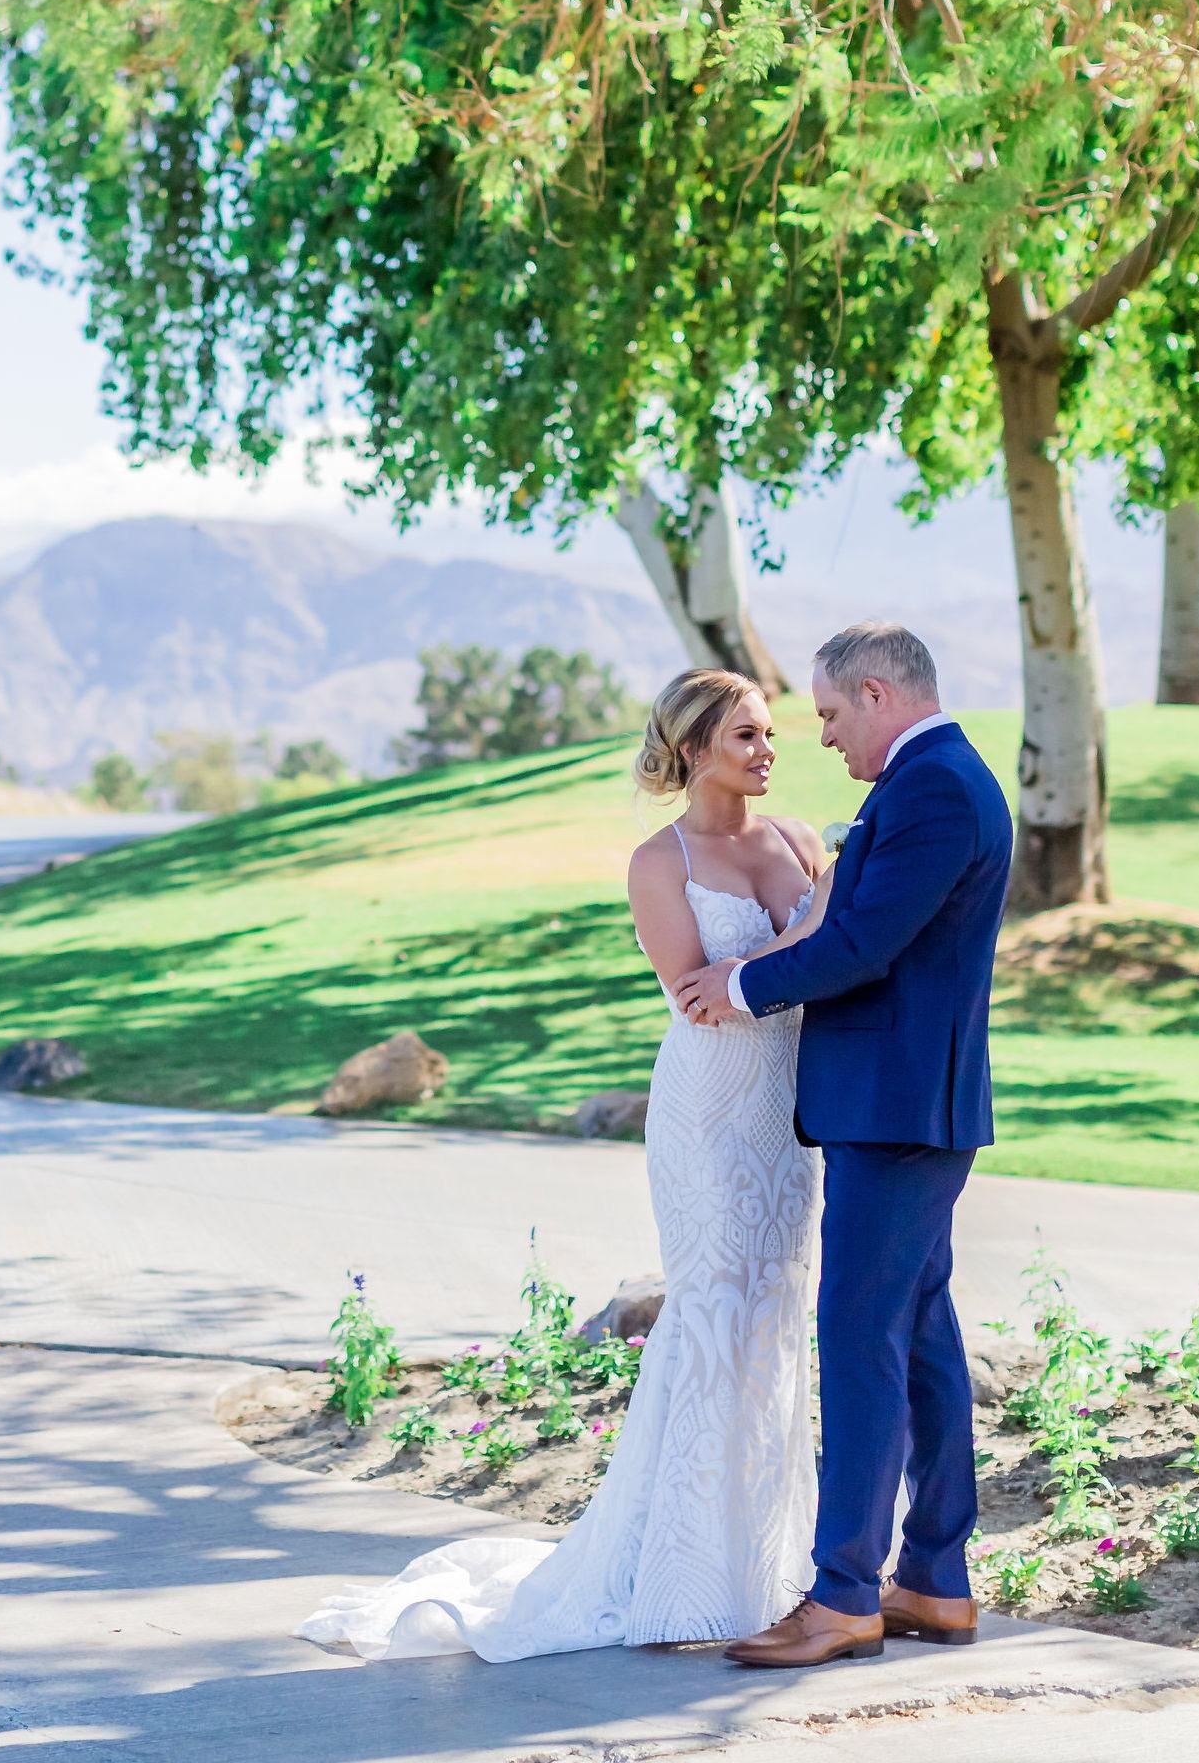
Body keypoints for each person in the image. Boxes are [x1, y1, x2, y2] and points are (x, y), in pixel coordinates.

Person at [295, 665, 832, 1660]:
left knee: (774, 1325)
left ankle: (769, 1568)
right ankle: (681, 1580)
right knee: (712, 1317)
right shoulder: (658, 862)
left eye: (770, 734)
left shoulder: (800, 841)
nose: (767, 751)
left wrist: (793, 939)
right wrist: (808, 928)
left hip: (788, 1117)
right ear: (692, 748)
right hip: (708, 1115)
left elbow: (808, 969)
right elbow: (697, 996)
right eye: (745, 736)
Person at [672, 621, 1012, 1669]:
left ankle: (842, 1597)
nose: (819, 736)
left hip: (896, 1110)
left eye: (825, 713)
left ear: (875, 693)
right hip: (899, 1106)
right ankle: (935, 1581)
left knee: (859, 1341)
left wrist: (737, 985)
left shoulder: (934, 788)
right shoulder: (927, 782)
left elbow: (863, 946)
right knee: (917, 1340)